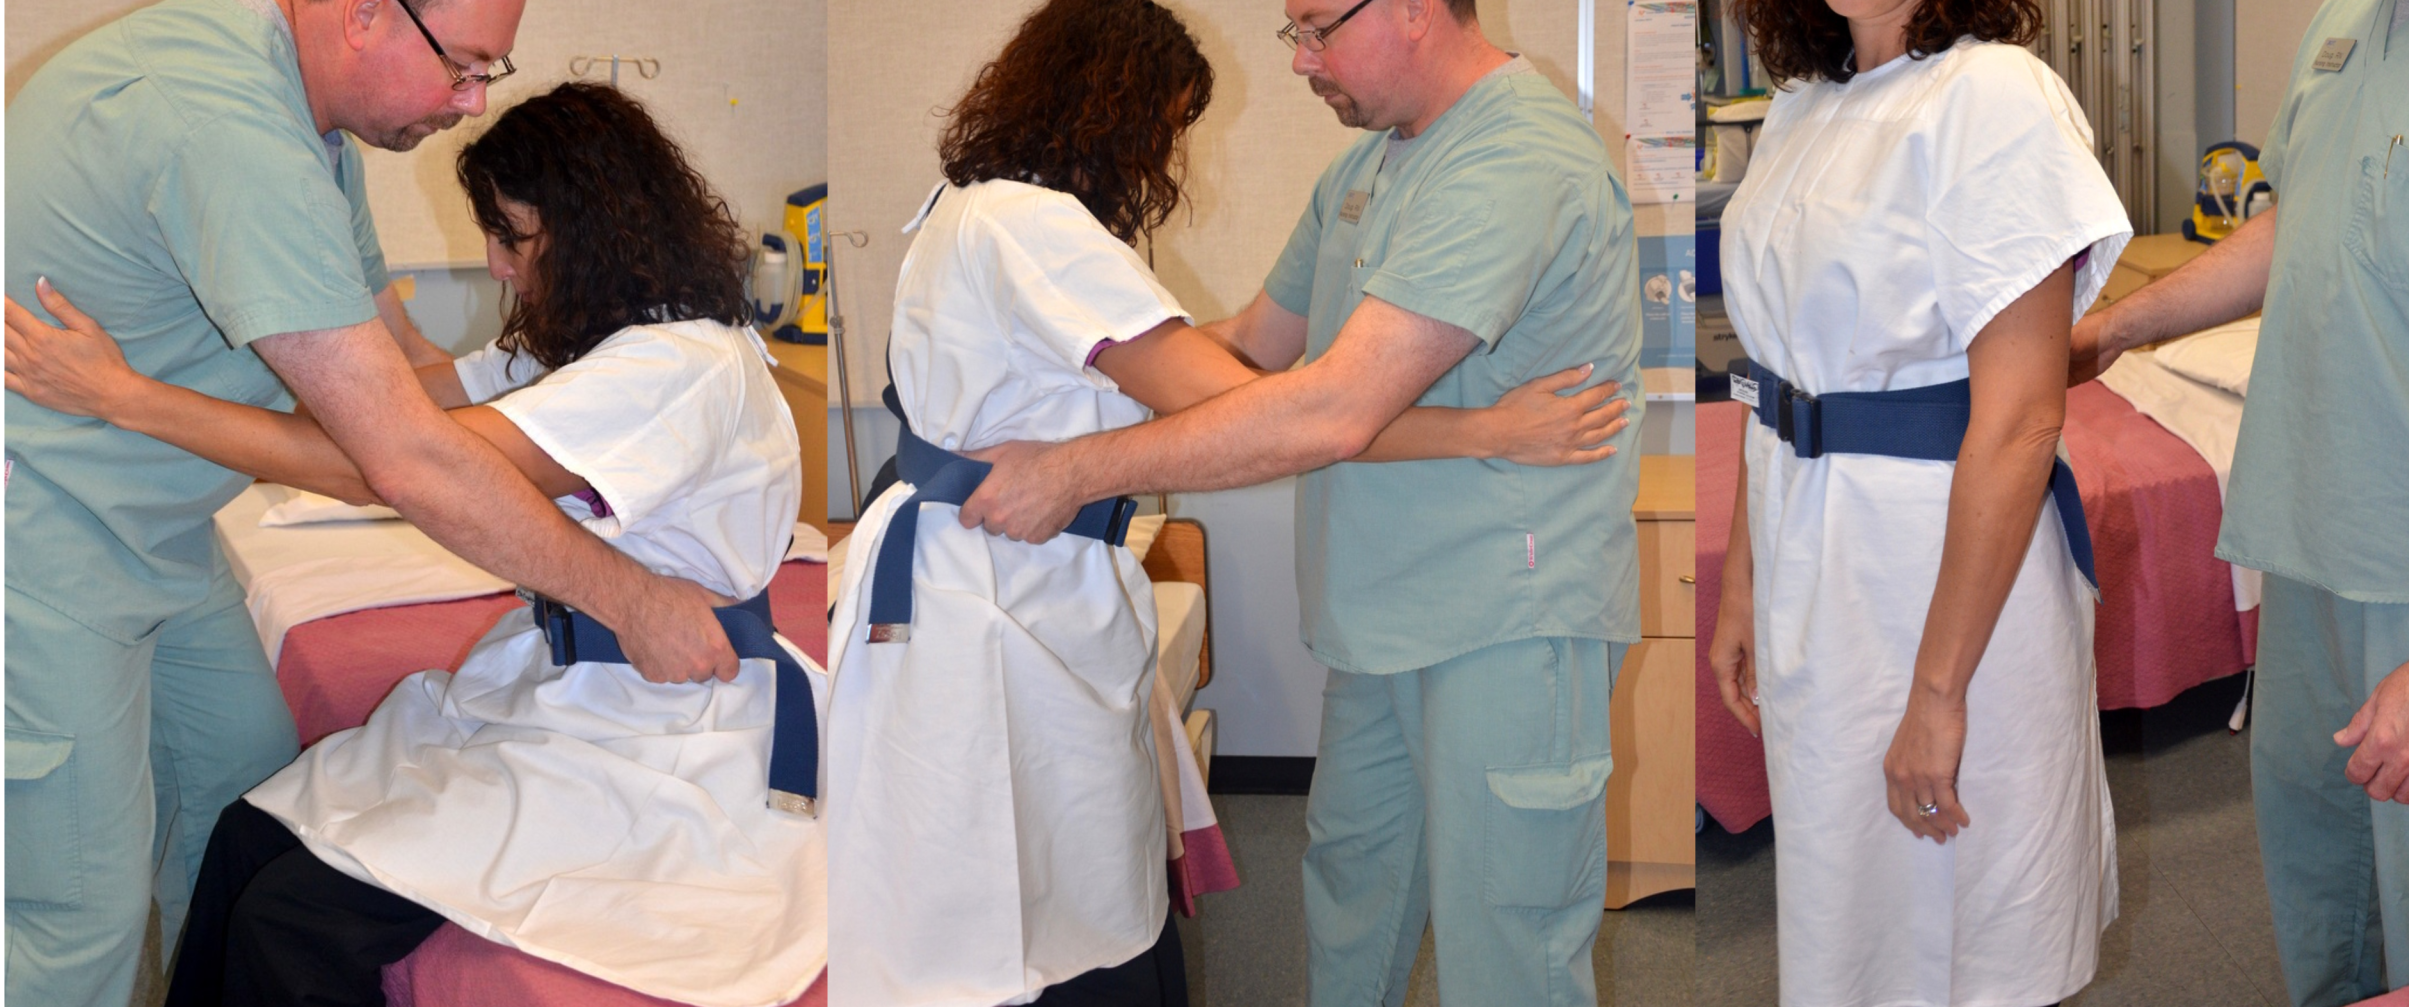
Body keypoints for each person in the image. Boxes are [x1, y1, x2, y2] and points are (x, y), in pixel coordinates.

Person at [828, 3, 1627, 1003]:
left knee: (1503, 929)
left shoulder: (1515, 159)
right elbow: (1247, 346)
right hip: (1377, 610)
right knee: (1352, 888)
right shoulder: (1363, 173)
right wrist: (1077, 365)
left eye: (1314, 29)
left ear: (1414, 11)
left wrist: (1078, 461)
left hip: (1504, 606)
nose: (1298, 61)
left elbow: (1327, 413)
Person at [5, 82, 823, 1007]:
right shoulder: (598, 344)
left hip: (660, 726)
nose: (496, 265)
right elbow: (413, 391)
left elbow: (390, 464)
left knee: (290, 921)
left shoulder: (677, 367)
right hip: (567, 688)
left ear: (589, 227)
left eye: (512, 236)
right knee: (246, 835)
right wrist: (317, 275)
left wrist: (125, 399)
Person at [2070, 0, 2409, 999]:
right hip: (2310, 563)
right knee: (2327, 910)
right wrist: (2120, 327)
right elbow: (2301, 221)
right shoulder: (2344, 25)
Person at [1699, 1, 2131, 1004]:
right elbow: (1774, 378)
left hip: (1938, 568)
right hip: (1810, 546)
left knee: (1964, 909)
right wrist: (1742, 588)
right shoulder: (1805, 99)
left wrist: (1937, 695)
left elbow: (2022, 418)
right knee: (1850, 895)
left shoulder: (1994, 96)